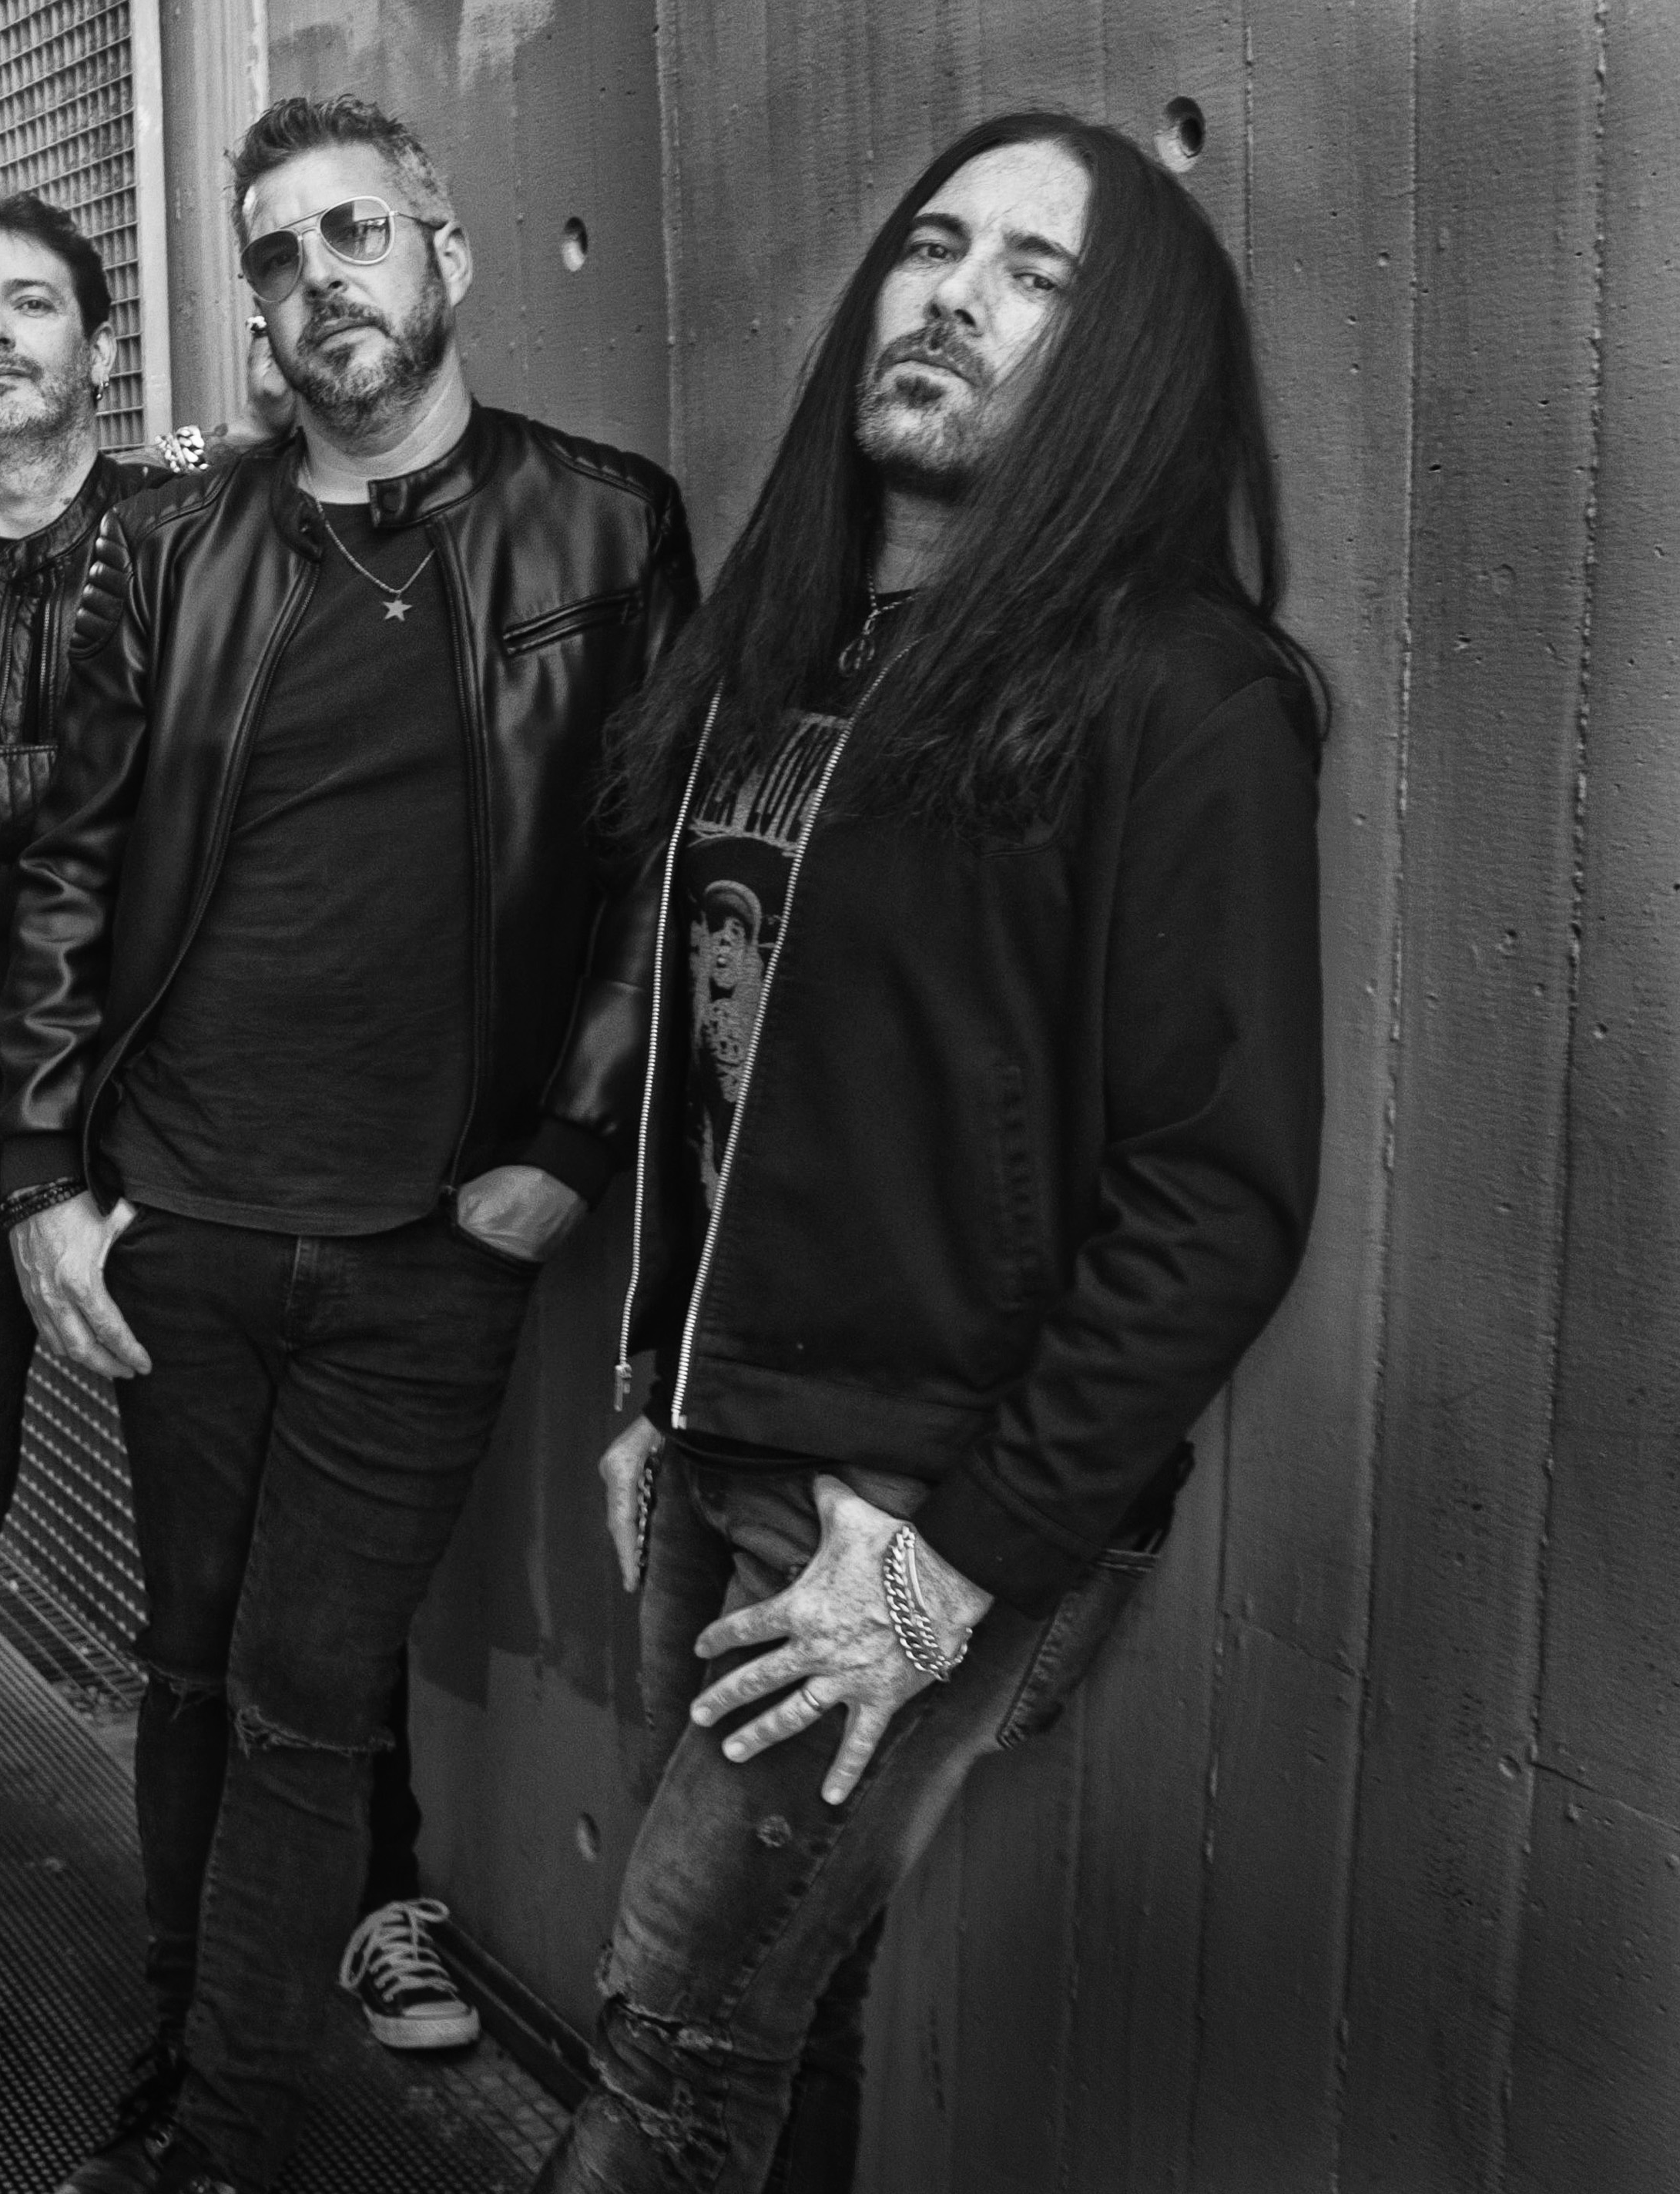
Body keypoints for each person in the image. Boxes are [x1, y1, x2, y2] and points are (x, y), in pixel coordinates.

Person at [529, 113, 1325, 2194]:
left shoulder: (1181, 689)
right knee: (777, 2018)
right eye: (936, 247)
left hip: (913, 1500)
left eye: (1035, 278)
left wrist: (954, 1557)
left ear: (1119, 363)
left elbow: (1216, 1197)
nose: (958, 296)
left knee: (665, 2041)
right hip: (720, 1439)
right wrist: (653, 1377)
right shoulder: (781, 654)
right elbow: (736, 1060)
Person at [0, 97, 696, 2194]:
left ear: (444, 255)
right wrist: (46, 1177)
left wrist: (572, 1143)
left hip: (425, 1237)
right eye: (278, 257)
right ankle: (182, 2049)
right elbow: (69, 863)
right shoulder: (167, 549)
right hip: (189, 1220)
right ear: (256, 317)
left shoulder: (603, 529)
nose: (320, 281)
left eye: (356, 233)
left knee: (302, 1693)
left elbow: (653, 864)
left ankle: (216, 2139)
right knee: (189, 1673)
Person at [0, 194, 482, 2046]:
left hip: (181, 1107)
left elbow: (191, 807)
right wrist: (61, 811)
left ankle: (371, 1887)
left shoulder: (206, 530)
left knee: (281, 1538)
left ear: (98, 343)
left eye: (30, 301)